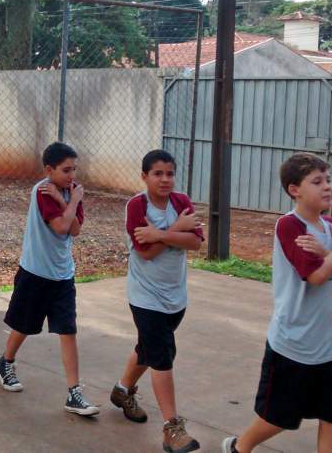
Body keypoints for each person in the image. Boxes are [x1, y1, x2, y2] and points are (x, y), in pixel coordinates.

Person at [223, 153, 332, 453]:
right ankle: (239, 447)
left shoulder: (330, 226)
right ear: (294, 189)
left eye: (328, 180)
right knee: (278, 418)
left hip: (331, 346)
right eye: (317, 181)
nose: (327, 187)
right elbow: (317, 277)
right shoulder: (290, 226)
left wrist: (330, 252)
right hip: (294, 344)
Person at [0, 142, 99, 416]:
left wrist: (68, 200)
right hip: (35, 272)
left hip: (63, 275)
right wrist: (72, 201)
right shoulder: (42, 191)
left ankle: (74, 392)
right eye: (66, 170)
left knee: (68, 331)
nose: (71, 176)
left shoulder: (69, 192)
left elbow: (75, 230)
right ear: (49, 170)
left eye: (74, 169)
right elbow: (62, 226)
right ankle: (6, 361)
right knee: (24, 326)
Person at [112, 150, 204, 453]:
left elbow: (196, 242)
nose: (165, 179)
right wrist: (176, 228)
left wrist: (159, 233)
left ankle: (122, 391)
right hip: (145, 296)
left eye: (170, 173)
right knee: (161, 355)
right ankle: (172, 429)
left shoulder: (181, 202)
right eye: (158, 174)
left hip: (175, 296)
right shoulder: (137, 206)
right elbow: (147, 252)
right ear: (144, 176)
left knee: (148, 348)